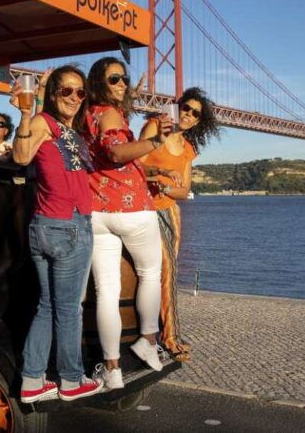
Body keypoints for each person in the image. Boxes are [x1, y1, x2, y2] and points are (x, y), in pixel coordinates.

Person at [11, 65, 104, 403]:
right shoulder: (43, 122)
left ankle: (32, 381)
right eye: (67, 90)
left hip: (49, 225)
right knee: (68, 309)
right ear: (53, 94)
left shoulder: (68, 130)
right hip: (67, 227)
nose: (75, 98)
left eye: (80, 92)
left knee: (47, 306)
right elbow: (21, 156)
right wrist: (26, 112)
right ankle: (71, 379)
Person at [81, 56, 173, 389]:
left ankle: (112, 370)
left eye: (123, 79)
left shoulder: (84, 116)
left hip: (97, 212)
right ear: (99, 84)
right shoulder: (109, 114)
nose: (122, 85)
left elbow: (108, 161)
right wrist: (156, 141)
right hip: (131, 209)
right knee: (151, 273)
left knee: (106, 291)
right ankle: (147, 341)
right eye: (114, 79)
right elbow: (117, 154)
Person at [139, 87, 220, 362]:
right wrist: (161, 179)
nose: (188, 115)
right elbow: (135, 166)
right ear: (177, 107)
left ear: (198, 121)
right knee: (164, 270)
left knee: (168, 271)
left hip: (169, 212)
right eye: (185, 108)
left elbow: (184, 191)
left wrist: (164, 190)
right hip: (144, 209)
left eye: (195, 113)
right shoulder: (153, 126)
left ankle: (165, 334)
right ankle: (168, 336)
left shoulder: (187, 149)